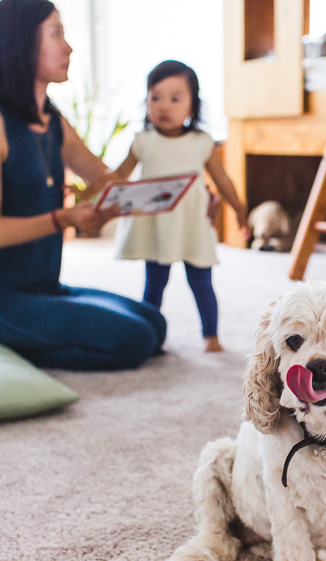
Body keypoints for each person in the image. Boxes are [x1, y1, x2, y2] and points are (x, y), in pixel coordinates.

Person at [0, 0, 166, 370]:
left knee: (154, 324)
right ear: (22, 43)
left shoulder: (53, 121)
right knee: (135, 339)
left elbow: (105, 182)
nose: (68, 47)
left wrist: (173, 184)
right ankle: (11, 352)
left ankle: (27, 342)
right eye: (56, 34)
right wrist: (64, 218)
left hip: (46, 290)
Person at [108, 60, 250, 353]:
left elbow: (222, 179)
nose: (164, 106)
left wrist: (239, 208)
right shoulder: (142, 141)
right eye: (155, 97)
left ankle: (211, 335)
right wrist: (88, 194)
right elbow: (117, 177)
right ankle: (151, 335)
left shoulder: (202, 141)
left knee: (201, 282)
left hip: (191, 225)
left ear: (193, 106)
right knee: (154, 285)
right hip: (156, 224)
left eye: (175, 98)